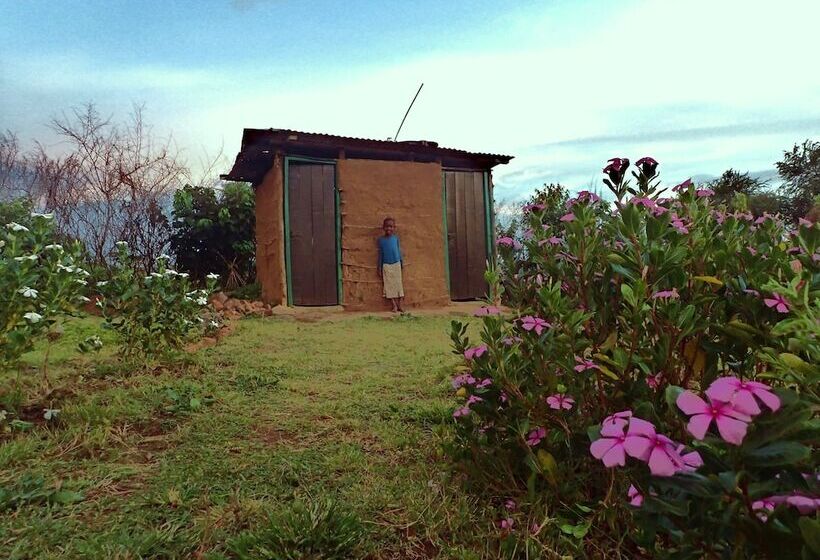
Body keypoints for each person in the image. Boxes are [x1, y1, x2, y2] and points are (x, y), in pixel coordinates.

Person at [377, 216, 404, 312]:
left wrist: (401, 261)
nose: (389, 228)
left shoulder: (396, 239)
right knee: (388, 285)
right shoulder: (381, 240)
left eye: (391, 226)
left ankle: (400, 304)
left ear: (394, 228)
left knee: (398, 284)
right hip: (386, 265)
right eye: (387, 226)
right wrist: (379, 266)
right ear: (383, 228)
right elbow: (380, 254)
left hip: (396, 264)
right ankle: (394, 305)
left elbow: (398, 250)